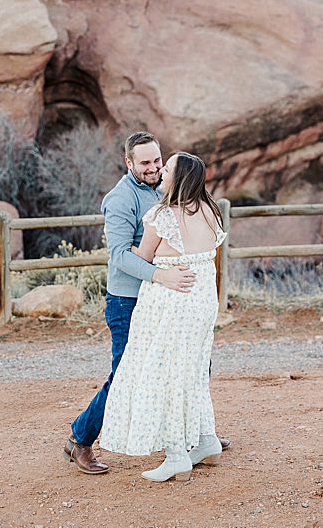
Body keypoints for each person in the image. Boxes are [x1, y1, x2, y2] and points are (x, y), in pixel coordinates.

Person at [63, 132, 201, 474]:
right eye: (145, 163)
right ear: (129, 163)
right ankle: (80, 440)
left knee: (179, 367)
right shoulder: (120, 199)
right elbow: (120, 256)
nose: (154, 167)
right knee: (125, 374)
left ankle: (195, 436)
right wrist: (161, 275)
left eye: (157, 161)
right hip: (127, 302)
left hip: (161, 302)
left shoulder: (164, 189)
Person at [99, 151, 226, 482]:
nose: (162, 171)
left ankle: (176, 455)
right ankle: (207, 440)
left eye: (167, 167)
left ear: (178, 177)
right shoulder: (211, 212)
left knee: (166, 374)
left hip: (171, 301)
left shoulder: (162, 215)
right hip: (201, 300)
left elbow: (141, 256)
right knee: (194, 370)